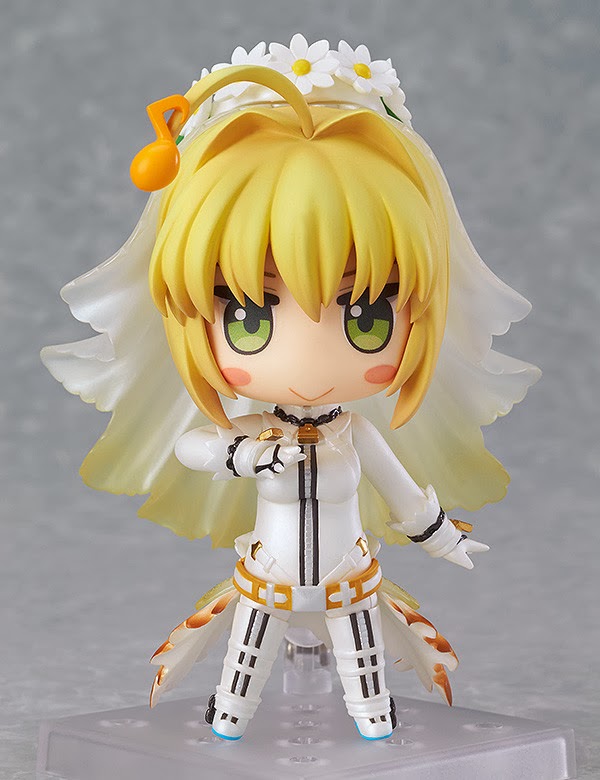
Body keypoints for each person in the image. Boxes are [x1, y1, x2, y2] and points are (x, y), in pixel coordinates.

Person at [42, 35, 540, 741]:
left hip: (348, 578)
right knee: (242, 666)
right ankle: (230, 720)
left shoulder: (354, 433)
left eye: (366, 316)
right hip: (266, 575)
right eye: (249, 316)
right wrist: (244, 455)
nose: (308, 360)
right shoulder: (255, 432)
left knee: (364, 668)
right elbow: (195, 449)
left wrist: (439, 537)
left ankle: (373, 722)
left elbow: (402, 494)